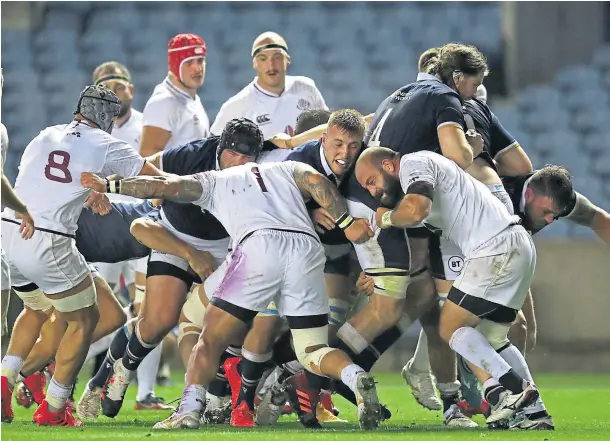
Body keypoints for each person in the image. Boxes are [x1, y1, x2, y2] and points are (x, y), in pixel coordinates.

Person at [81, 157, 382, 431]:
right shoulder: (286, 168)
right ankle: (356, 377)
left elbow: (162, 185)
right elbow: (316, 181)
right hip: (306, 249)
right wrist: (346, 222)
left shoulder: (215, 179)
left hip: (257, 248)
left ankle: (189, 409)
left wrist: (109, 185)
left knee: (203, 331)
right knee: (311, 348)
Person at [355, 147, 574, 424]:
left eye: (371, 181)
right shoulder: (439, 175)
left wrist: (383, 219)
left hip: (494, 248)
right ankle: (535, 412)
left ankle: (509, 392)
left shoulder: (414, 162)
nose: (373, 191)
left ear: (388, 165)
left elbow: (416, 210)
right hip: (518, 245)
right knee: (494, 339)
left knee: (450, 327)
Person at [76, 119, 266, 420]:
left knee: (230, 326)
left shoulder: (262, 164)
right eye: (233, 154)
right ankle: (115, 374)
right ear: (220, 148)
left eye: (248, 157)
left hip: (224, 246)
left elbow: (288, 150)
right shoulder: (192, 154)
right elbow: (146, 164)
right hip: (175, 234)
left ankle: (216, 398)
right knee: (157, 321)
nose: (239, 163)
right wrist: (103, 186)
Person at [0, 85, 161, 426]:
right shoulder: (104, 143)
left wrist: (90, 193)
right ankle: (55, 407)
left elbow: (44, 182)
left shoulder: (45, 135)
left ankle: (9, 376)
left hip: (8, 232)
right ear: (108, 118)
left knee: (38, 308)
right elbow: (155, 181)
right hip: (47, 240)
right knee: (88, 319)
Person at [210, 31, 327, 161]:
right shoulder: (237, 106)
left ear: (287, 60)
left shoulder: (306, 88)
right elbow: (212, 151)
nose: (271, 65)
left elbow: (328, 128)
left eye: (277, 57)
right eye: (263, 58)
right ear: (254, 63)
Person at [139, 33, 210, 158]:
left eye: (200, 61)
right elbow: (147, 157)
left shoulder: (191, 98)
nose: (198, 69)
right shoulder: (163, 102)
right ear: (176, 65)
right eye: (189, 62)